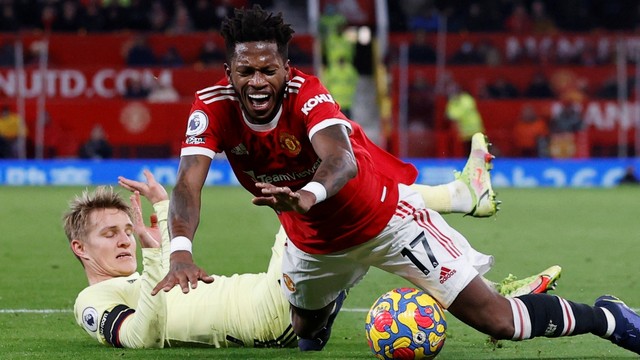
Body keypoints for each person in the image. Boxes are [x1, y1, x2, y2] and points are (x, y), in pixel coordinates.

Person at [157, 5, 640, 355]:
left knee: (496, 319)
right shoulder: (212, 105)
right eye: (246, 71)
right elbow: (186, 183)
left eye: (268, 69)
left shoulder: (309, 94)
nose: (257, 81)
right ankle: (335, 290)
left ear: (287, 68)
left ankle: (607, 318)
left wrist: (305, 194)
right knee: (305, 334)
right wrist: (180, 251)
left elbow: (341, 161)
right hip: (314, 243)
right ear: (229, 71)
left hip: (388, 222)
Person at [68, 166, 560, 349]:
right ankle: (460, 196)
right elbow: (139, 337)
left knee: (352, 200)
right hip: (270, 314)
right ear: (79, 249)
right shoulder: (93, 300)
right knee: (331, 196)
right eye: (109, 234)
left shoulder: (139, 274)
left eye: (125, 229)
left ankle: (482, 274)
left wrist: (156, 250)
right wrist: (162, 229)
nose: (125, 239)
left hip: (272, 293)